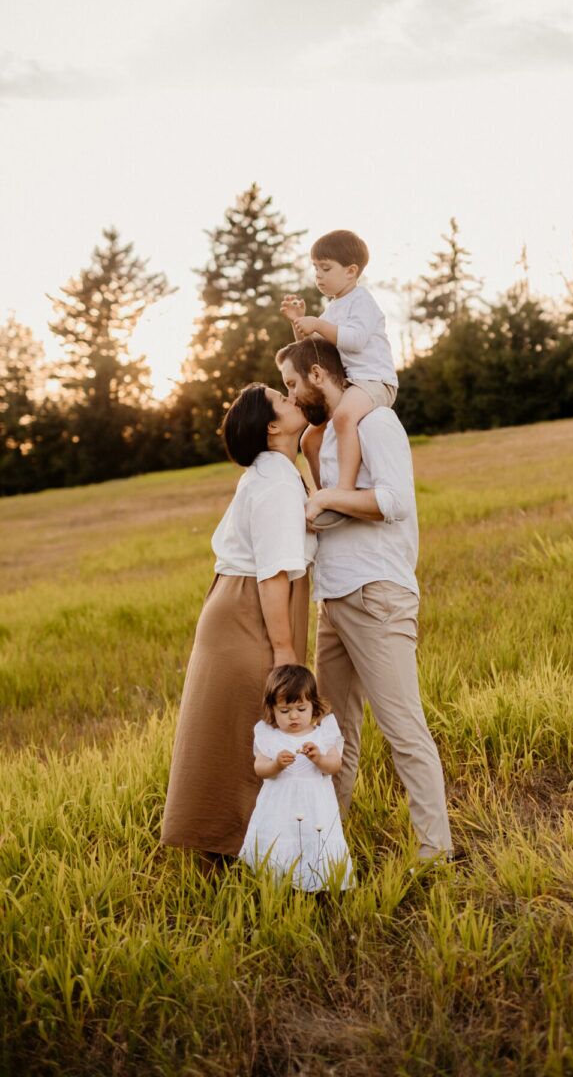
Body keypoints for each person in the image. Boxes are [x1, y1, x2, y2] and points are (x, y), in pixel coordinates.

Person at [275, 337, 453, 864]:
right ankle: (325, 848)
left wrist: (327, 496)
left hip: (377, 594)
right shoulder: (320, 437)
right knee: (333, 732)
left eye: (292, 384)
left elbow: (395, 501)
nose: (291, 395)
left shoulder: (376, 423)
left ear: (317, 374)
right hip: (333, 599)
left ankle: (435, 850)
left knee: (403, 728)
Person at [161, 383, 316, 871]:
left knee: (237, 729)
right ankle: (230, 850)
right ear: (271, 426)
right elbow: (272, 575)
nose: (293, 398)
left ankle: (238, 849)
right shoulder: (274, 482)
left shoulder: (277, 472)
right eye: (282, 399)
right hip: (250, 610)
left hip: (239, 605)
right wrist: (286, 654)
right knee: (245, 730)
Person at [279, 230, 398, 507]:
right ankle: (325, 494)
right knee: (309, 439)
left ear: (351, 271)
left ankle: (344, 491)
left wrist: (318, 324)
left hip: (374, 381)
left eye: (326, 268)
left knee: (344, 418)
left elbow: (355, 340)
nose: (318, 276)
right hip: (350, 386)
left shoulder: (361, 301)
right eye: (315, 268)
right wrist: (299, 322)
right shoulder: (333, 309)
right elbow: (313, 350)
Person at [239, 664, 354, 891]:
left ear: (313, 705)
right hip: (279, 807)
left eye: (301, 709)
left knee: (314, 842)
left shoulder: (323, 734)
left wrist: (319, 759)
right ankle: (279, 886)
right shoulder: (270, 736)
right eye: (284, 711)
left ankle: (319, 886)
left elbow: (335, 765)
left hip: (315, 808)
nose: (293, 716)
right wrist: (276, 765)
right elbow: (259, 768)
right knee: (280, 839)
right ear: (272, 709)